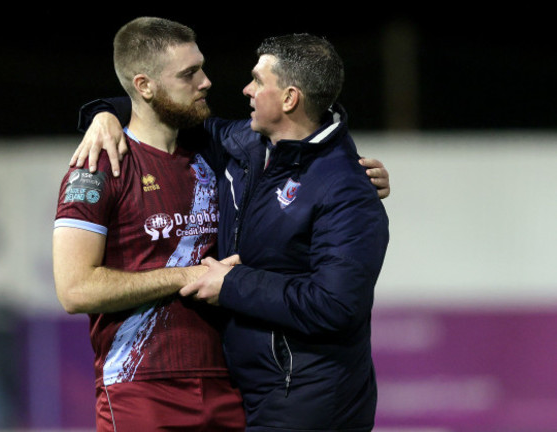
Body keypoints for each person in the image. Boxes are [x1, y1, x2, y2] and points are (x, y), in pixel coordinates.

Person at [73, 32, 389, 431]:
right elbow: (164, 111)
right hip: (252, 392)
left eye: (258, 80)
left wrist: (233, 284)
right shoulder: (247, 146)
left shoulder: (347, 186)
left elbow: (337, 306)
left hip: (312, 399)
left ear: (290, 98)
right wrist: (104, 114)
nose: (245, 89)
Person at [52, 17, 246, 431]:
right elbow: (74, 289)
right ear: (144, 86)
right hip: (140, 387)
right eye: (189, 73)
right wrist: (185, 276)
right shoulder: (98, 166)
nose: (207, 81)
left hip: (229, 385)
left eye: (202, 67)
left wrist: (350, 176)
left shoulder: (218, 156)